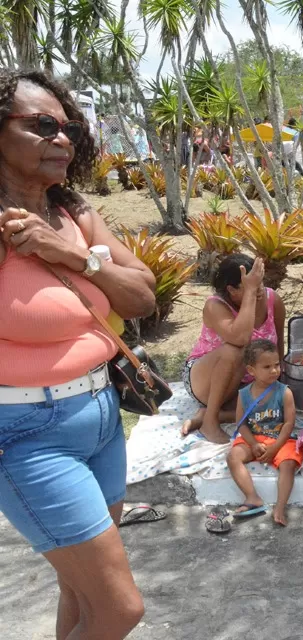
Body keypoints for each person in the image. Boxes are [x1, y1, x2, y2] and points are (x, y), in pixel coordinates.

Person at [0, 69, 156, 638]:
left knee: (82, 592)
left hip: (101, 419)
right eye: (43, 125)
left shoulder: (72, 214)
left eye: (68, 127)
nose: (62, 139)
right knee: (120, 609)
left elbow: (141, 295)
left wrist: (70, 254)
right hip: (25, 436)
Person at [181, 254, 286, 442]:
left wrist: (278, 377)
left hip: (246, 380)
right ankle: (210, 421)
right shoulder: (214, 305)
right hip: (205, 378)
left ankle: (211, 415)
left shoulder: (273, 300)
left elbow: (277, 344)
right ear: (231, 290)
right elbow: (241, 337)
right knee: (236, 350)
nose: (259, 289)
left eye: (260, 283)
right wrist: (251, 295)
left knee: (279, 403)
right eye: (250, 286)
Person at [226, 340, 301, 526]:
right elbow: (241, 424)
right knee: (233, 457)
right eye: (267, 366)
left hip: (281, 439)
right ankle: (252, 497)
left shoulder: (285, 392)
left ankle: (280, 507)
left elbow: (289, 423)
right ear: (251, 371)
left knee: (288, 464)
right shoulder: (243, 394)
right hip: (256, 438)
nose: (275, 370)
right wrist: (252, 444)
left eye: (277, 365)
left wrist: (275, 448)